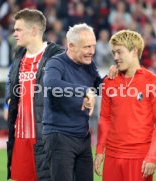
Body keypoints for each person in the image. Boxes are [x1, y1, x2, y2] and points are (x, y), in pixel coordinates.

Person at [94, 30, 156, 181]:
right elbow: (104, 118)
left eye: (119, 52)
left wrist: (152, 156)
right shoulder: (109, 81)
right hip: (112, 156)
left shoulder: (153, 82)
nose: (115, 58)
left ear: (134, 51)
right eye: (114, 53)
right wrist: (100, 150)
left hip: (139, 157)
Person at [6, 9, 64, 181]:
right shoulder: (19, 56)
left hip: (45, 137)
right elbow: (10, 80)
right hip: (20, 136)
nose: (14, 34)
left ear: (33, 31)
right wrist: (8, 98)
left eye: (18, 29)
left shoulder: (57, 56)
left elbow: (78, 78)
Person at [42, 23, 102, 181]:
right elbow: (51, 84)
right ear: (71, 46)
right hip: (59, 137)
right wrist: (84, 91)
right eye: (87, 47)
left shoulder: (89, 64)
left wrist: (113, 76)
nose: (92, 52)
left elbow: (100, 87)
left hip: (82, 137)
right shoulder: (55, 63)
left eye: (93, 46)